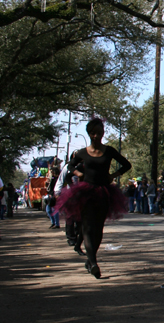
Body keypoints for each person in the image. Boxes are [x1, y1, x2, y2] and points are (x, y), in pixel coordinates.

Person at [56, 118, 131, 278]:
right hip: (86, 193)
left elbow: (126, 165)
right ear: (89, 134)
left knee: (98, 228)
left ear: (103, 133)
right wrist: (78, 173)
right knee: (87, 227)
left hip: (104, 192)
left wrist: (113, 175)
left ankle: (90, 260)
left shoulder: (109, 151)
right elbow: (70, 165)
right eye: (93, 133)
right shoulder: (82, 152)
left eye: (99, 132)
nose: (96, 136)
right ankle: (93, 262)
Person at [55, 160, 84, 255]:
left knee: (80, 218)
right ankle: (71, 238)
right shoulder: (68, 167)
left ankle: (77, 235)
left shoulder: (86, 165)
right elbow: (62, 179)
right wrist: (57, 192)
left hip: (83, 195)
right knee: (70, 217)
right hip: (70, 195)